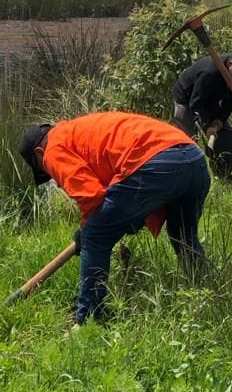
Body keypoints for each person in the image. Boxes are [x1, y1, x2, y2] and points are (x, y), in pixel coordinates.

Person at [19, 112, 211, 325]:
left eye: (46, 170)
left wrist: (87, 229)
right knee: (182, 234)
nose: (54, 181)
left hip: (156, 163)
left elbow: (90, 196)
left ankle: (88, 319)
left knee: (95, 236)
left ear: (39, 153)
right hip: (194, 159)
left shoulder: (53, 148)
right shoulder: (77, 130)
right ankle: (206, 292)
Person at [172, 50, 232, 181]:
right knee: (190, 141)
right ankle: (189, 180)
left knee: (226, 132)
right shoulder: (210, 72)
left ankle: (223, 175)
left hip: (209, 100)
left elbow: (230, 102)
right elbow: (196, 103)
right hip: (188, 101)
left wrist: (218, 122)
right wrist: (206, 126)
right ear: (230, 64)